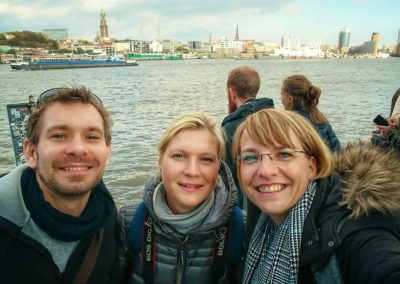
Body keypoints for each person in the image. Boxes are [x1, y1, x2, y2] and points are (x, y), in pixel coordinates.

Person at [232, 108, 400, 284]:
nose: (265, 171)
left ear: (312, 167)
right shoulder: (260, 219)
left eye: (284, 154)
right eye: (250, 157)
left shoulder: (357, 229)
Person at [0, 86, 121, 283]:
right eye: (59, 135)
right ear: (31, 152)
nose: (77, 149)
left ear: (107, 153)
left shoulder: (116, 225)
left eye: (91, 137)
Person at [120, 112, 244, 284]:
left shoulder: (242, 228)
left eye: (206, 159)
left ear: (219, 168)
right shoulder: (128, 221)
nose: (192, 171)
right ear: (160, 161)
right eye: (178, 156)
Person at [221, 66, 274, 209]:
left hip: (244, 206)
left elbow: (226, 175)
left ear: (231, 93)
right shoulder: (275, 118)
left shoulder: (230, 128)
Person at [280, 74, 341, 152]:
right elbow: (336, 149)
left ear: (290, 99)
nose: (280, 98)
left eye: (281, 95)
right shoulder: (320, 118)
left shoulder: (287, 122)